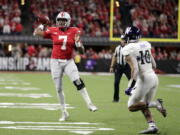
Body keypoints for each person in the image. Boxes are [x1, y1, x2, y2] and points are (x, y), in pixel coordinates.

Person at [33, 11, 98, 121]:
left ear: (68, 21)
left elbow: (82, 51)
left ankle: (90, 103)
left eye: (64, 21)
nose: (61, 23)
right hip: (55, 62)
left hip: (68, 61)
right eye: (60, 20)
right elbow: (36, 33)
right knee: (58, 89)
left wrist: (79, 45)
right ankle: (64, 113)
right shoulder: (52, 30)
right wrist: (43, 24)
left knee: (77, 81)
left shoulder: (75, 31)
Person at [121, 26, 167, 134]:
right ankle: (152, 126)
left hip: (144, 79)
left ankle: (156, 104)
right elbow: (154, 64)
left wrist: (130, 86)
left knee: (131, 106)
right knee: (142, 104)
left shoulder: (128, 48)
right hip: (154, 77)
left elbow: (135, 69)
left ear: (129, 36)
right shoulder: (145, 44)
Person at [109, 35, 131, 102]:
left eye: (122, 39)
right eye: (121, 39)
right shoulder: (117, 48)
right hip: (119, 67)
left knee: (132, 82)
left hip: (127, 66)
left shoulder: (129, 48)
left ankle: (135, 97)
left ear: (125, 40)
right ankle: (116, 99)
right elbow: (114, 57)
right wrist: (112, 66)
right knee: (116, 82)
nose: (121, 40)